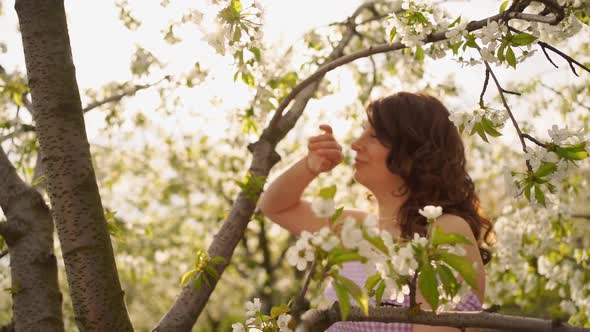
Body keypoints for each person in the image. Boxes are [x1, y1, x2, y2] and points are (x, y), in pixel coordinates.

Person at [257, 92, 494, 332]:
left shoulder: (445, 229)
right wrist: (309, 166)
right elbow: (274, 206)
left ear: (415, 152)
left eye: (374, 136)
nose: (355, 144)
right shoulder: (353, 228)